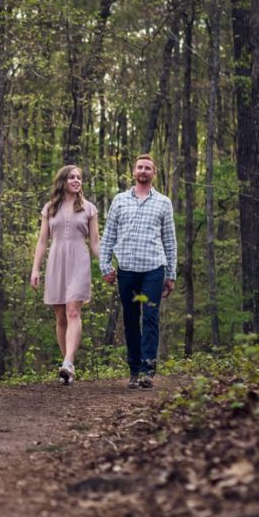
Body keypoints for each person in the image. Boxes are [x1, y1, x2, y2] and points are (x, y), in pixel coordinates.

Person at [99, 153, 177, 389]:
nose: (143, 171)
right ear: (134, 172)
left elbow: (170, 240)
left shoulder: (163, 202)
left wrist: (171, 274)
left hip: (154, 269)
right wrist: (105, 266)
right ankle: (134, 370)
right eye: (140, 167)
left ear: (154, 173)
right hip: (127, 271)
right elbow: (108, 236)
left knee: (151, 318)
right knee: (131, 319)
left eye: (148, 168)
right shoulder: (120, 200)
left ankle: (147, 371)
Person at [30, 165, 99, 384]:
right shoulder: (50, 208)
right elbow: (42, 241)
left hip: (79, 260)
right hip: (56, 261)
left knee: (72, 312)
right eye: (72, 177)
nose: (77, 180)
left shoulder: (89, 209)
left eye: (79, 177)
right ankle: (66, 366)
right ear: (63, 181)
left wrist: (107, 265)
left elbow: (95, 243)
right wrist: (35, 269)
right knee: (60, 316)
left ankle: (68, 362)